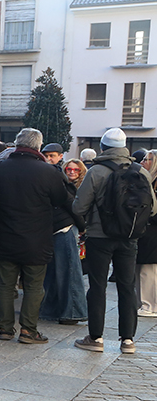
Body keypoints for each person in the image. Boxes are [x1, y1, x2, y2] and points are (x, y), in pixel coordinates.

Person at [0, 127, 76, 345]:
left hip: (5, 235)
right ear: (38, 147)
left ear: (17, 144)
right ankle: (28, 330)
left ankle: (5, 328)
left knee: (6, 285)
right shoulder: (47, 172)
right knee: (35, 285)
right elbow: (61, 200)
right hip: (37, 239)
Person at [73, 128, 156, 354]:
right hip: (130, 237)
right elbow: (153, 207)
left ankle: (96, 338)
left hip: (100, 236)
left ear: (103, 146)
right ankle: (128, 340)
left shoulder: (96, 171)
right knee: (127, 286)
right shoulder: (141, 171)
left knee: (97, 286)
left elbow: (79, 206)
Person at [39, 147, 89, 327]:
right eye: (46, 155)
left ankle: (57, 310)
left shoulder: (51, 174)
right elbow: (70, 204)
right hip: (62, 227)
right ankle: (71, 312)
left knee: (60, 270)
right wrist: (83, 226)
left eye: (52, 156)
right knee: (65, 270)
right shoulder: (55, 176)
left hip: (59, 227)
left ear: (60, 157)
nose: (49, 159)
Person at [137, 151, 157, 318]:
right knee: (144, 269)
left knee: (149, 270)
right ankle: (145, 303)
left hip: (153, 233)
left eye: (147, 159)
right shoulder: (148, 180)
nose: (143, 162)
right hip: (146, 232)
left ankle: (150, 305)